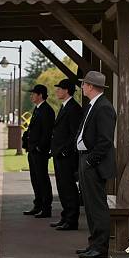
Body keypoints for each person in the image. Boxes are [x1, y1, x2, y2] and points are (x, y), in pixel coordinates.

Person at [75, 71, 116, 258]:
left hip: (94, 163)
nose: (82, 87)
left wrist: (90, 161)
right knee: (90, 205)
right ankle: (94, 244)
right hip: (86, 160)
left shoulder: (104, 107)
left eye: (83, 84)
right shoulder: (93, 105)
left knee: (97, 206)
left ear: (90, 86)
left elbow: (105, 140)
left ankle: (100, 247)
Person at [50, 79, 83, 231]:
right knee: (62, 187)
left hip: (66, 157)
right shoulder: (65, 107)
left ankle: (71, 220)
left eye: (59, 89)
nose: (57, 91)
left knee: (68, 188)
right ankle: (65, 217)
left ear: (67, 91)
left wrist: (65, 151)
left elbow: (75, 133)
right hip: (59, 155)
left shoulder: (74, 108)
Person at [22, 84, 55, 218]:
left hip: (40, 151)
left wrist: (39, 147)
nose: (31, 96)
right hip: (33, 151)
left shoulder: (47, 110)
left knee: (42, 179)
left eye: (33, 94)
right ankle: (38, 205)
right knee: (35, 179)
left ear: (40, 95)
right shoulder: (37, 109)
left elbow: (47, 133)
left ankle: (46, 208)